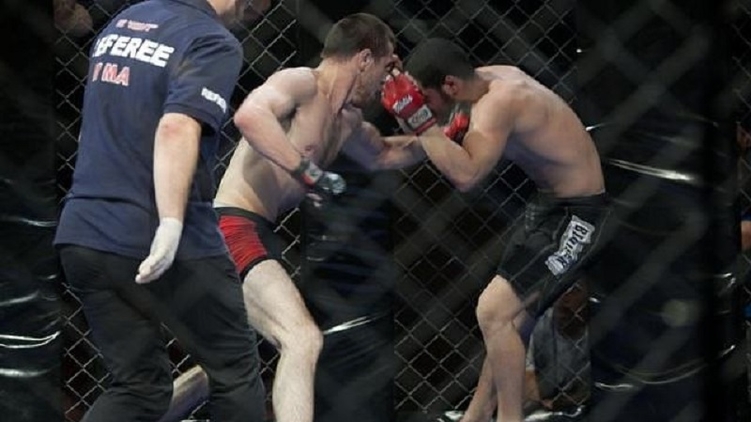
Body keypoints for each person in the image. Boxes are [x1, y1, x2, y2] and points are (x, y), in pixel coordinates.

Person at [162, 13, 427, 422]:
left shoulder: (348, 122)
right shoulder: (303, 83)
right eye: (387, 65)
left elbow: (386, 153)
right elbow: (250, 116)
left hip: (252, 231)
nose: (387, 80)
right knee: (301, 339)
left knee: (225, 367)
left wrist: (438, 130)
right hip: (230, 225)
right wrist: (306, 172)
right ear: (364, 58)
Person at [53, 1, 269, 421]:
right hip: (157, 230)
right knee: (235, 372)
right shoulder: (211, 39)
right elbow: (177, 126)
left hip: (84, 230)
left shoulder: (126, 20)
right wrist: (170, 224)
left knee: (139, 388)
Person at [383, 37, 613, 422]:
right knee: (508, 323)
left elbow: (467, 175)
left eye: (426, 98)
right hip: (547, 205)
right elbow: (441, 139)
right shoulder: (487, 79)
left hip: (579, 213)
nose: (424, 106)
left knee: (493, 311)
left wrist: (421, 122)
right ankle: (475, 417)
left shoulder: (499, 103)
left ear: (450, 85)